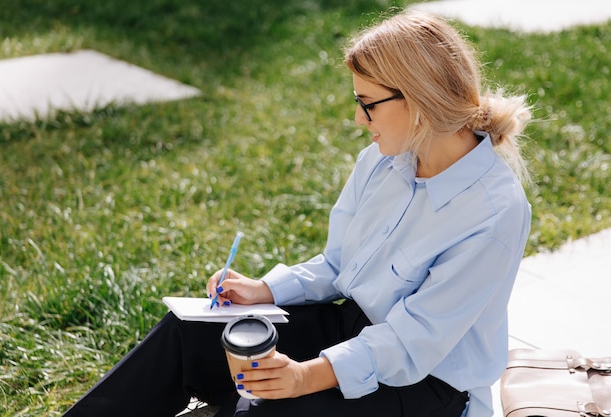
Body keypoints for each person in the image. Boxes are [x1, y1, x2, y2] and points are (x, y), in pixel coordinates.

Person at [62, 9, 532, 417]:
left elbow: (414, 342)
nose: (358, 120)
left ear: (420, 101)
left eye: (367, 104)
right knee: (189, 334)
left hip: (426, 384)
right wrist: (264, 289)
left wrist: (305, 377)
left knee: (264, 409)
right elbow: (338, 264)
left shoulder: (494, 213)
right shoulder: (385, 158)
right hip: (352, 328)